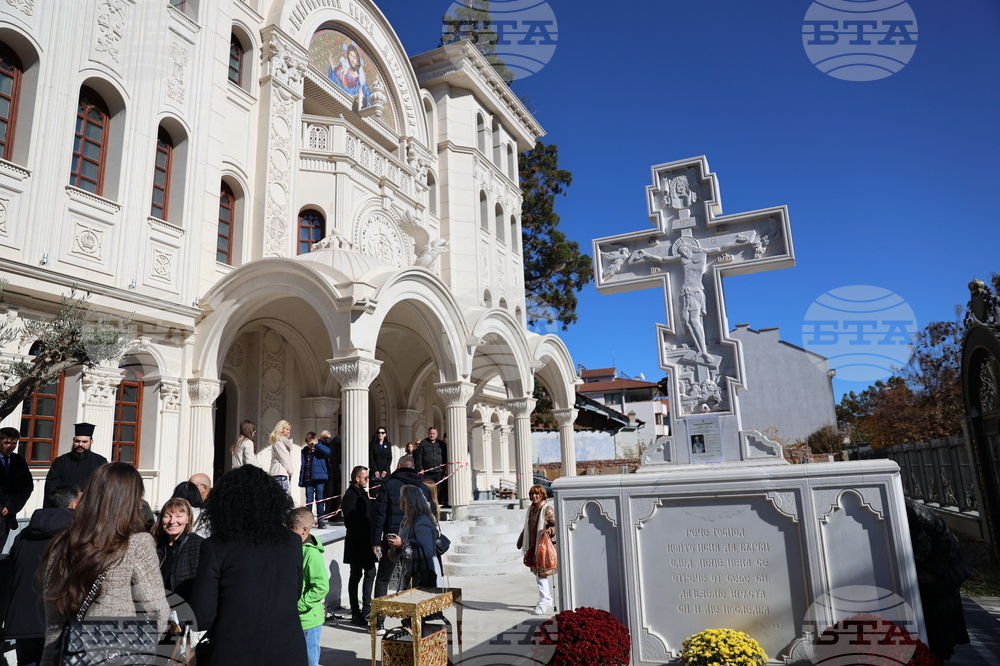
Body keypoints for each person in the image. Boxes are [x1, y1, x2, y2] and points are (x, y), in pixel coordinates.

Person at [39, 462, 170, 666]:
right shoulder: (137, 543)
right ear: (130, 499)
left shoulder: (62, 545)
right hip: (121, 654)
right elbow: (157, 611)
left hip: (74, 656)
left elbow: (54, 625)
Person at [189, 465, 307, 665]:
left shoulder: (216, 547)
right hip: (287, 652)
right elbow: (294, 594)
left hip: (232, 653)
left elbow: (201, 616)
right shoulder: (292, 542)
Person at [4, 484, 81, 666]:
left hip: (23, 620)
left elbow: (12, 569)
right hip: (58, 620)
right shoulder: (78, 535)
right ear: (75, 505)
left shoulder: (24, 534)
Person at [370, 455, 432, 634]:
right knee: (412, 580)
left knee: (383, 579)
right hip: (415, 538)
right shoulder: (422, 487)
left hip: (392, 537)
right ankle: (409, 621)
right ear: (413, 468)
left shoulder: (388, 484)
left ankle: (379, 624)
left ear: (398, 466)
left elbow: (379, 515)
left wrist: (375, 541)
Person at [905, 497, 971, 661]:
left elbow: (943, 534)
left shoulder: (908, 507)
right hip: (917, 571)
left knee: (937, 629)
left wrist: (933, 571)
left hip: (937, 574)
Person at [289, 507, 329, 666]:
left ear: (304, 529)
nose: (289, 532)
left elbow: (321, 587)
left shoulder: (311, 554)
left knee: (309, 662)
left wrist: (299, 605)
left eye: (292, 528)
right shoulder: (294, 549)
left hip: (308, 621)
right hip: (295, 618)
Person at [387, 485, 442, 590]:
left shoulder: (422, 522)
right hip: (411, 573)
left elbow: (428, 551)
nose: (399, 501)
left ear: (409, 501)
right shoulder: (408, 520)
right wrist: (396, 550)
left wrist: (402, 545)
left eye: (401, 498)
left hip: (422, 575)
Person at [341, 465, 376, 626]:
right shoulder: (350, 495)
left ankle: (366, 608)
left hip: (367, 542)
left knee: (370, 573)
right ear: (357, 478)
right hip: (357, 544)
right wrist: (364, 540)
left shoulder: (363, 493)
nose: (367, 480)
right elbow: (350, 522)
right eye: (365, 478)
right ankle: (356, 612)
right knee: (356, 576)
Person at [153, 497, 204, 602]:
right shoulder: (154, 544)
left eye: (179, 516)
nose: (172, 521)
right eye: (167, 516)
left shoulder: (198, 545)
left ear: (188, 519)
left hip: (184, 610)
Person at [516, 483, 557, 615]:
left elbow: (556, 525)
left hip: (544, 548)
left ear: (542, 495)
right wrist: (521, 540)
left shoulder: (547, 510)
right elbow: (527, 527)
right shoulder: (531, 510)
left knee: (541, 574)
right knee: (538, 574)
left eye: (537, 494)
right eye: (532, 494)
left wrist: (551, 530)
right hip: (533, 546)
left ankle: (544, 601)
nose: (534, 496)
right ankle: (547, 599)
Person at [42, 422, 107, 504]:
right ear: (73, 440)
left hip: (90, 506)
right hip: (65, 507)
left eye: (84, 442)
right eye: (77, 441)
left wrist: (84, 497)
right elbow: (52, 485)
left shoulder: (100, 462)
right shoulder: (61, 461)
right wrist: (69, 499)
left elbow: (104, 485)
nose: (80, 444)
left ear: (91, 442)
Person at [1, 426, 33, 550]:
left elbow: (26, 487)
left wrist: (12, 506)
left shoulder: (18, 461)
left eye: (14, 443)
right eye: (7, 443)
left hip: (6, 517)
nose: (10, 446)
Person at [298, 431, 331, 527]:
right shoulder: (305, 451)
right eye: (309, 444)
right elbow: (303, 466)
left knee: (320, 500)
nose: (310, 446)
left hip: (320, 478)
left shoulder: (320, 448)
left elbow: (328, 452)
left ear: (316, 441)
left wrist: (317, 445)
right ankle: (308, 521)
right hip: (308, 478)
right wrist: (302, 479)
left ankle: (321, 520)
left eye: (312, 443)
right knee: (309, 500)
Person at [327, 43, 371, 108]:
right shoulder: (341, 69)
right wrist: (332, 67)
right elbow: (332, 81)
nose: (352, 60)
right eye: (351, 55)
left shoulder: (361, 83)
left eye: (354, 58)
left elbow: (369, 104)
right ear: (348, 57)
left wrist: (363, 97)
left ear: (358, 61)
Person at [414, 427, 447, 506]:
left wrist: (444, 468)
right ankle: (428, 504)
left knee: (438, 488)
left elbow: (444, 456)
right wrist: (420, 469)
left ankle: (436, 504)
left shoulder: (441, 444)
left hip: (439, 471)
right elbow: (419, 457)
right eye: (430, 434)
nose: (432, 435)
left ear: (437, 434)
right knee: (427, 488)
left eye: (433, 434)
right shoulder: (423, 443)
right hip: (427, 472)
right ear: (428, 433)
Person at [319, 430, 342, 521]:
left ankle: (331, 514)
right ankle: (334, 515)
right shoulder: (338, 440)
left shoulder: (335, 441)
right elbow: (338, 456)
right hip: (333, 471)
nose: (328, 438)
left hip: (332, 470)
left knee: (332, 493)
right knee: (334, 492)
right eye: (325, 437)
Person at [268, 420, 295, 493]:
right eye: (286, 429)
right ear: (281, 429)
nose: (288, 431)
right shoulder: (278, 441)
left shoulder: (282, 441)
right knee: (283, 499)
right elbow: (283, 457)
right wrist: (290, 471)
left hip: (281, 473)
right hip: (279, 473)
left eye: (289, 429)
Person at [368, 427, 392, 495]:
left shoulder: (388, 444)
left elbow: (390, 458)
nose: (380, 434)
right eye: (379, 433)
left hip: (385, 470)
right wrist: (375, 470)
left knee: (385, 490)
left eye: (382, 433)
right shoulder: (373, 445)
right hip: (376, 469)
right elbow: (371, 458)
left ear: (385, 434)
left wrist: (385, 470)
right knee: (375, 491)